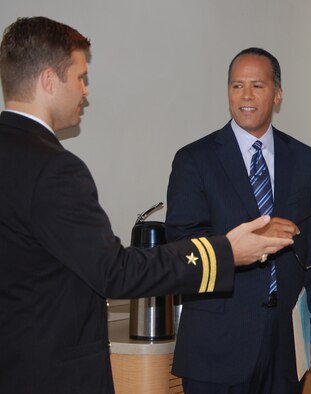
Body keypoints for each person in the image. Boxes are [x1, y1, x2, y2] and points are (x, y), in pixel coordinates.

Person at [0, 17, 293, 394]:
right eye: (80, 77)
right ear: (48, 80)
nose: (85, 92)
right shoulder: (54, 167)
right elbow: (115, 272)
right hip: (51, 373)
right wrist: (225, 252)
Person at [166, 47, 311, 393]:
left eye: (257, 86)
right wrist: (255, 237)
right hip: (216, 343)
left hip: (285, 341)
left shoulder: (305, 160)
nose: (245, 95)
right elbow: (183, 248)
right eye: (236, 85)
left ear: (277, 95)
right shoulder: (194, 160)